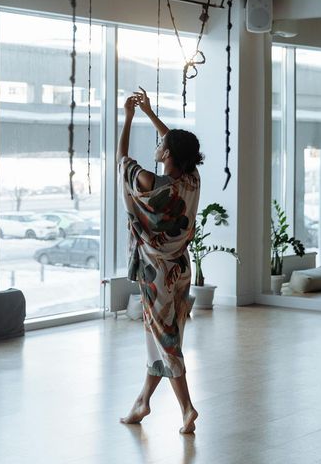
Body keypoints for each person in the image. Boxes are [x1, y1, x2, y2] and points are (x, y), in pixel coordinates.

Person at [117, 87, 203, 434]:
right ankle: (143, 401)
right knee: (161, 336)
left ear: (166, 153)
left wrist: (129, 117)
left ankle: (187, 407)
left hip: (157, 274)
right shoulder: (191, 180)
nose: (158, 143)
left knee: (165, 338)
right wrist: (151, 113)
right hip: (180, 267)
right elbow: (174, 142)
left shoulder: (151, 184)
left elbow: (122, 160)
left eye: (162, 144)